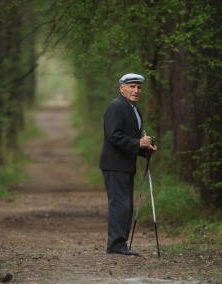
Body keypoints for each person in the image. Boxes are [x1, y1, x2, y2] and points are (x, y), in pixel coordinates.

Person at [99, 73, 157, 256]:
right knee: (120, 204)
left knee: (126, 205)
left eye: (139, 87)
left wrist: (145, 149)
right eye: (132, 86)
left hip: (125, 164)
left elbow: (129, 139)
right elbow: (113, 136)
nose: (136, 90)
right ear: (121, 88)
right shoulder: (116, 107)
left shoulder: (133, 109)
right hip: (114, 165)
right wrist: (138, 143)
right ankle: (116, 245)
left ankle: (119, 244)